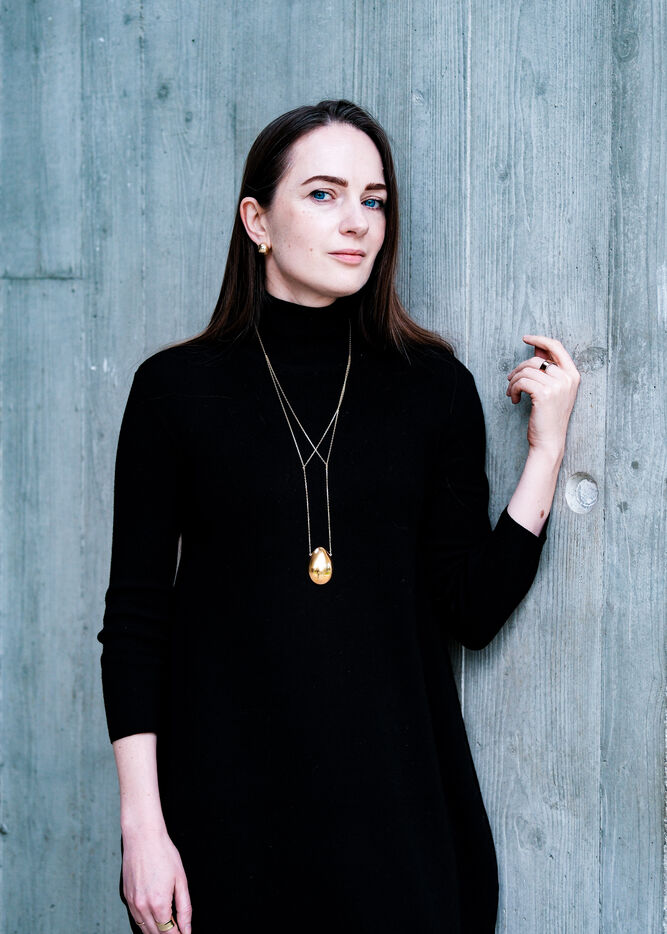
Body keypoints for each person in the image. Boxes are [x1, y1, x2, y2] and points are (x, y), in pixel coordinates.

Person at [97, 99, 580, 934]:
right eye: (323, 194)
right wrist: (143, 829)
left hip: (400, 822)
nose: (357, 221)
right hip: (223, 822)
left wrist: (544, 451)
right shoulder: (175, 391)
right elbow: (136, 621)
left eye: (373, 199)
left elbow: (469, 608)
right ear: (257, 220)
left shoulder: (432, 388)